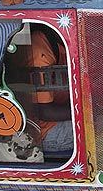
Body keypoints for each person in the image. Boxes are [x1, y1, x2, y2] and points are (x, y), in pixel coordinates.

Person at [27, 26, 74, 154]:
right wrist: (88, 111)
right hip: (46, 131)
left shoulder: (60, 43)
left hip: (62, 114)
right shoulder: (39, 52)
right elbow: (44, 111)